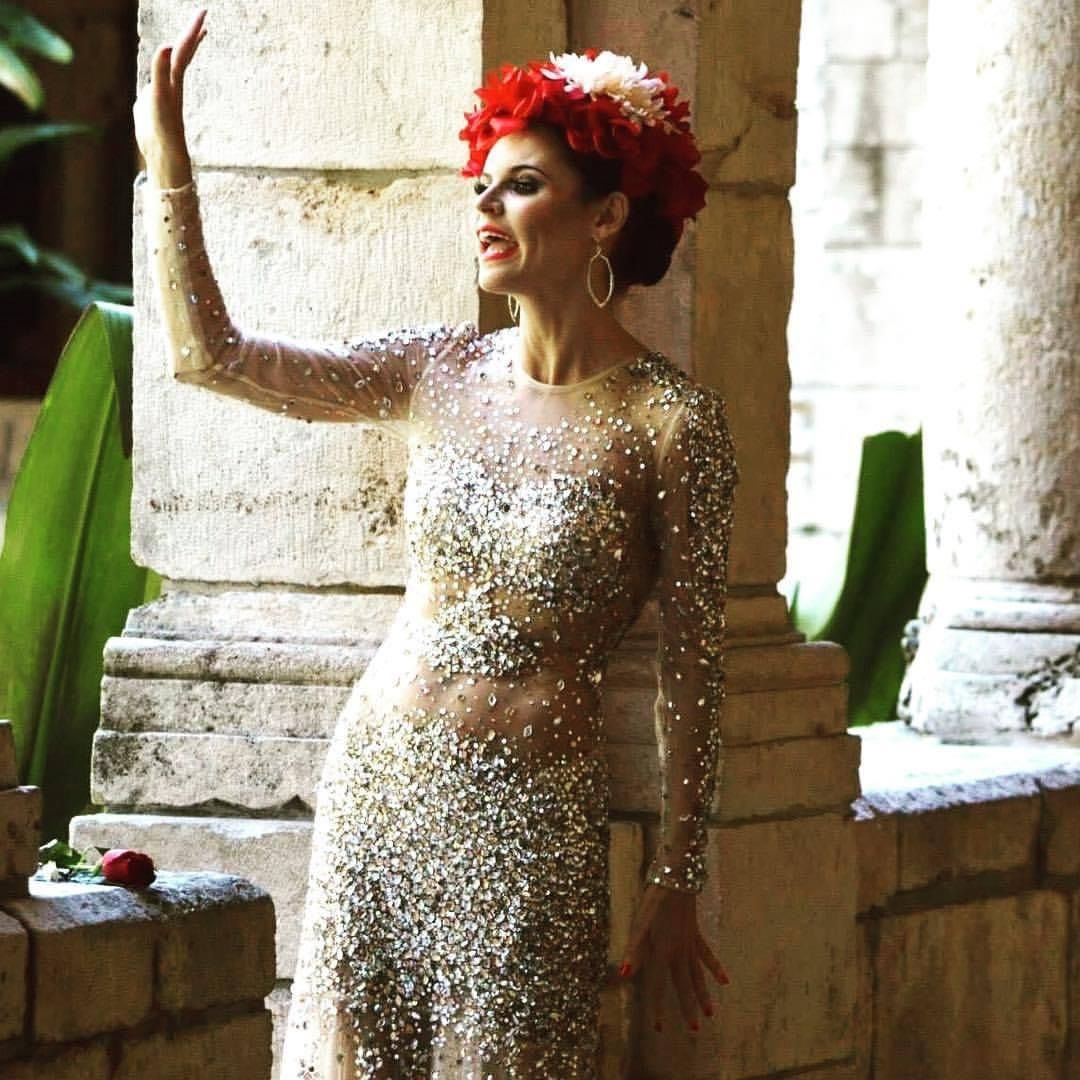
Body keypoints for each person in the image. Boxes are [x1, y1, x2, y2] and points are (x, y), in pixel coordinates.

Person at [135, 10, 739, 1078]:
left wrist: (677, 874)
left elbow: (694, 665)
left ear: (606, 216)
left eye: (522, 185)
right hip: (380, 789)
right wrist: (170, 174)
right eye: (483, 185)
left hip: (532, 822)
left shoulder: (672, 424)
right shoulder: (437, 368)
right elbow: (211, 357)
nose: (486, 205)